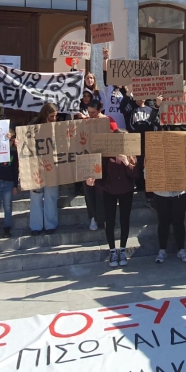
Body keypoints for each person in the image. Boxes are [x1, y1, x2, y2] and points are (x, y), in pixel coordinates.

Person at [90, 143, 136, 267]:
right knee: (109, 221)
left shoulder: (130, 153)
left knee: (124, 220)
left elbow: (135, 174)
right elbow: (101, 174)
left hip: (126, 191)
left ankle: (122, 250)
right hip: (109, 191)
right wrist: (94, 182)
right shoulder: (106, 155)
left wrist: (127, 163)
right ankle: (112, 251)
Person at [153, 155, 186, 264]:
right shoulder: (155, 155)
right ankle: (162, 250)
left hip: (180, 193)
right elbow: (147, 177)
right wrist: (148, 166)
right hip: (161, 194)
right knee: (163, 222)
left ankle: (181, 249)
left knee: (179, 222)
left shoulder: (182, 153)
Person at [29, 103, 61, 236]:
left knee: (51, 195)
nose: (54, 118)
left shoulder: (58, 126)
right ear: (45, 114)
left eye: (55, 116)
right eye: (52, 116)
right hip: (36, 166)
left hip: (52, 166)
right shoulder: (33, 124)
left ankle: (50, 225)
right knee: (36, 196)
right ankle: (36, 226)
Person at [80, 100, 109, 230]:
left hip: (104, 161)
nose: (90, 115)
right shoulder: (85, 122)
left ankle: (104, 218)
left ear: (99, 110)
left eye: (93, 112)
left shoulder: (108, 120)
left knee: (102, 191)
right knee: (89, 190)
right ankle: (93, 217)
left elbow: (116, 136)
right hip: (87, 160)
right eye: (89, 112)